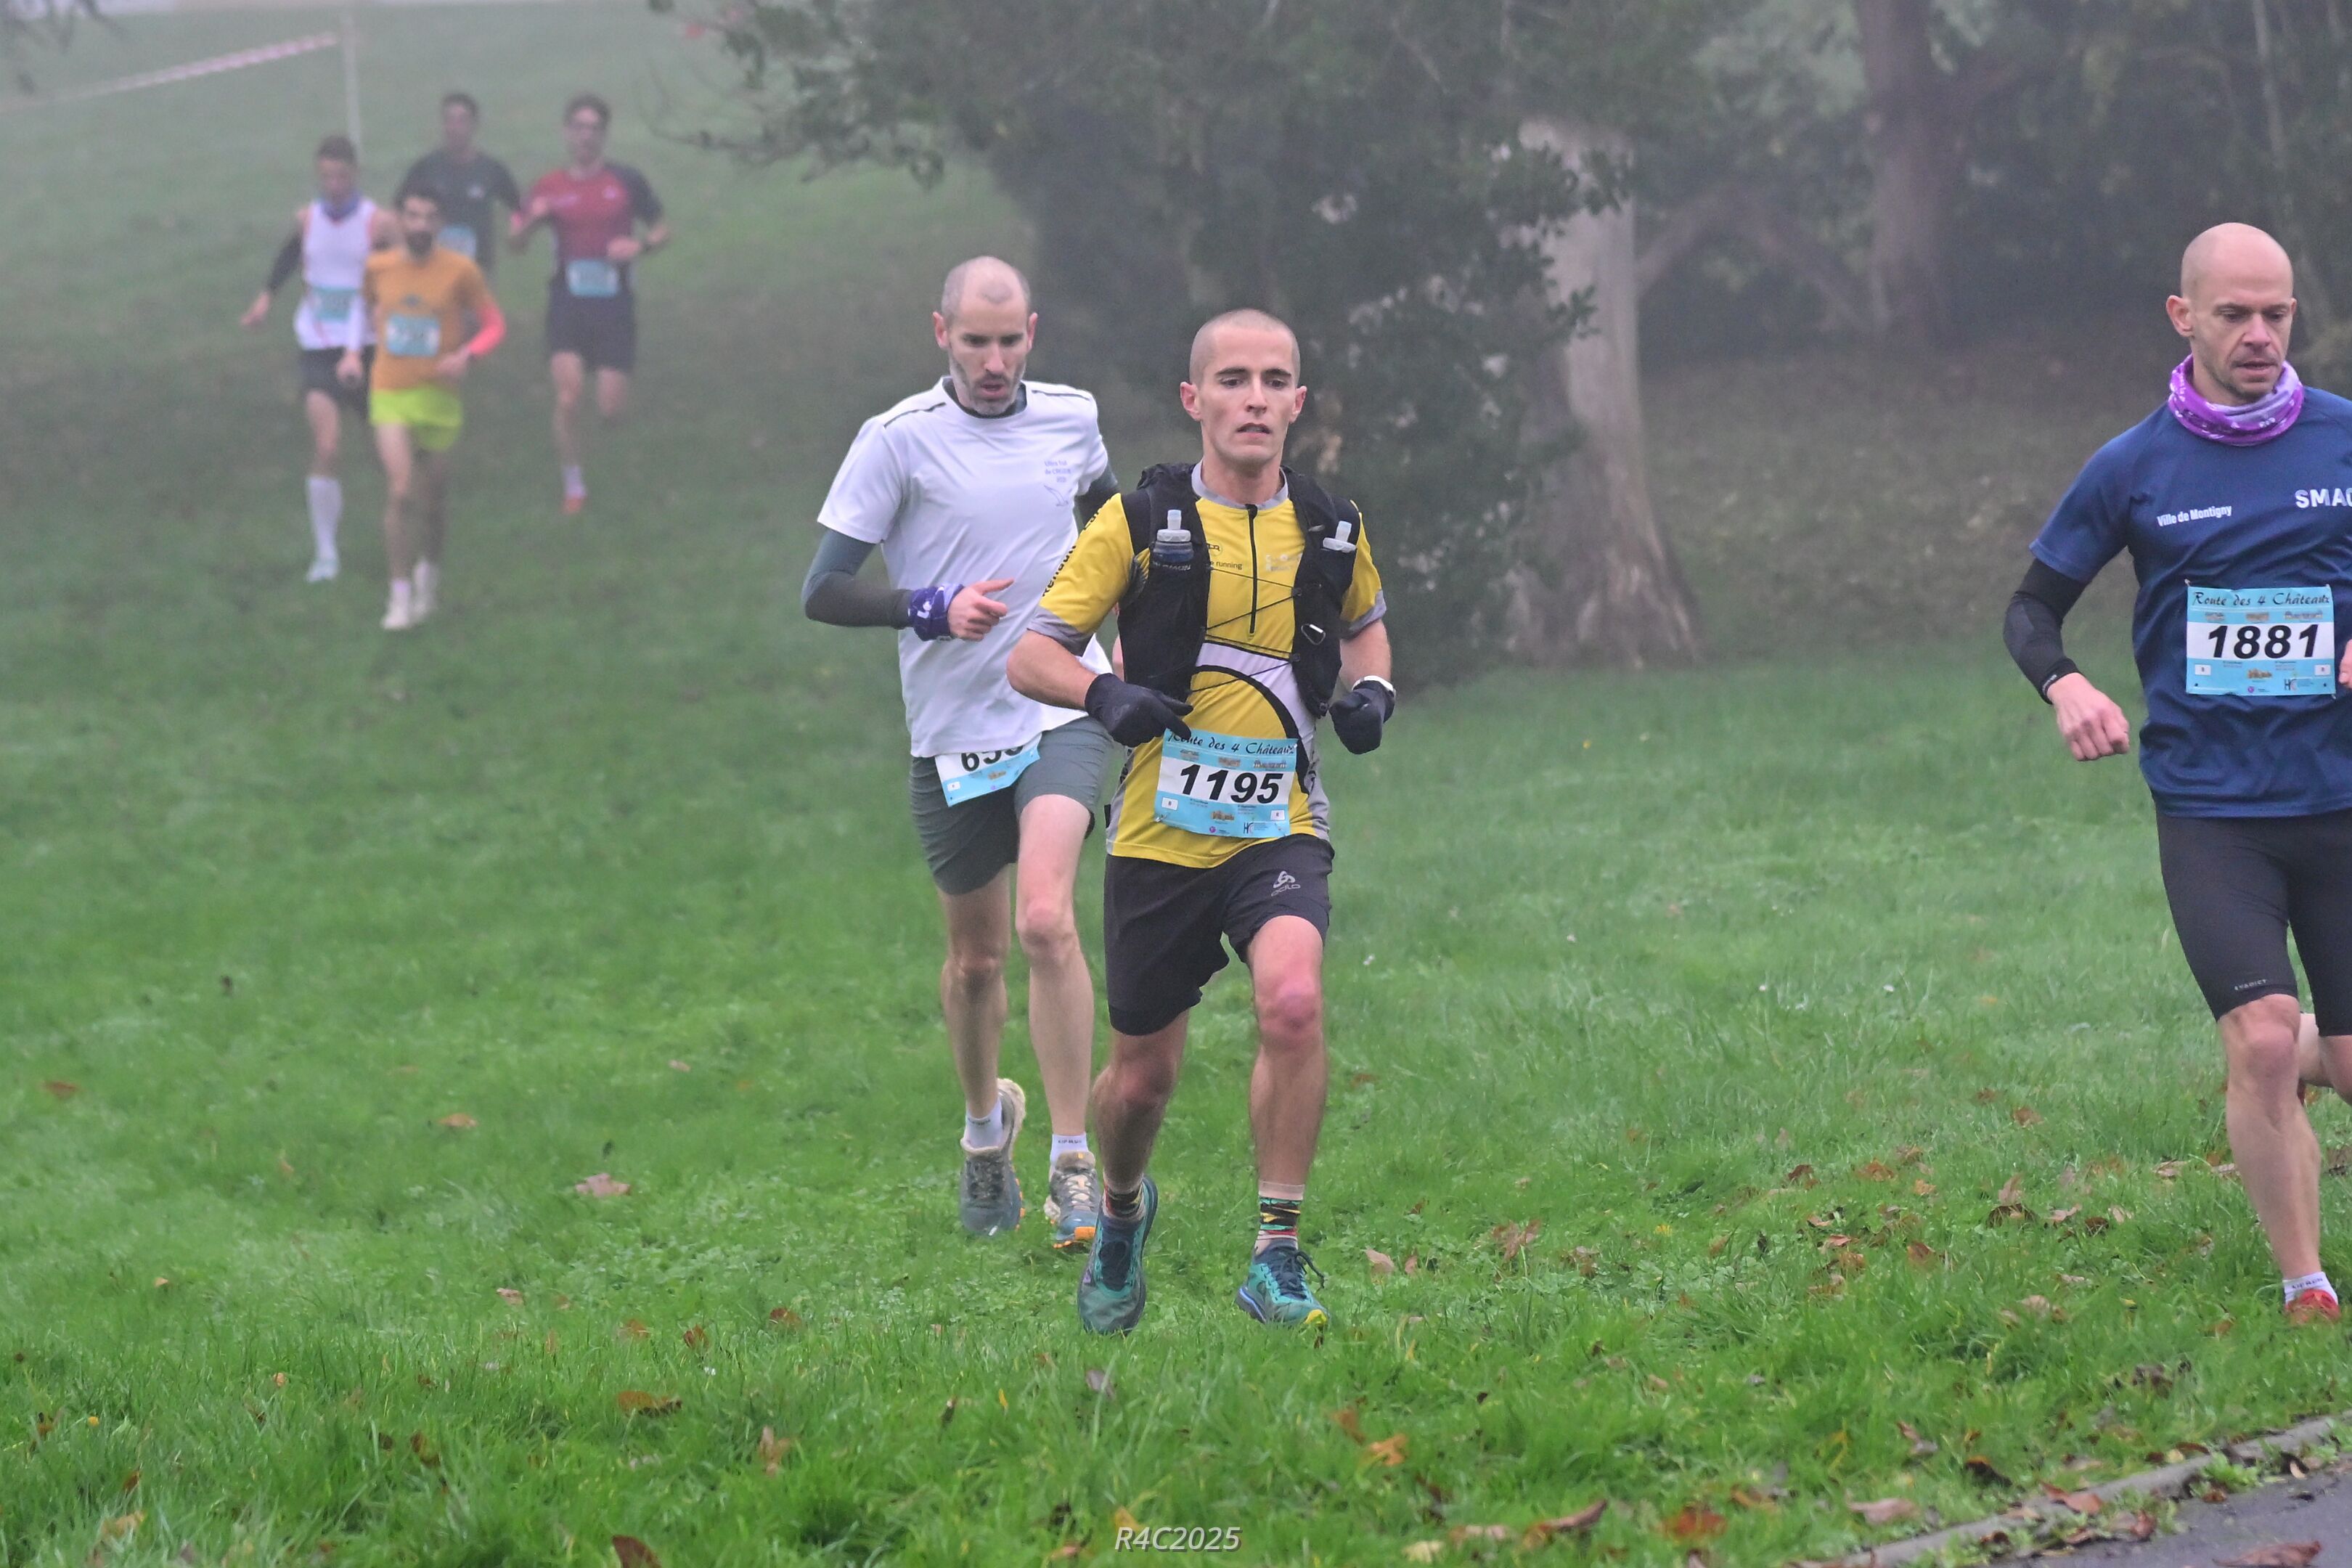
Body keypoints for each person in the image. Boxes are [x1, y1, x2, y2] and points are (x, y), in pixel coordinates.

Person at [1007, 308, 1396, 1334]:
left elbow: (1368, 630)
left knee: (1294, 1002)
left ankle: (1277, 1253)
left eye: (1273, 380)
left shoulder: (1333, 526)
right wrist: (1102, 696)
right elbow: (1031, 656)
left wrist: (1373, 694)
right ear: (1195, 400)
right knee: (1140, 1084)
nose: (1253, 399)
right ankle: (1123, 1210)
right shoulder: (1138, 523)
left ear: (1298, 403)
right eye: (1232, 380)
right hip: (1158, 837)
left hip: (1281, 824)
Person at [2006, 221, 2352, 1326]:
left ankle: (2321, 1049)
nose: (2259, 335)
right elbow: (2031, 610)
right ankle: (2305, 1282)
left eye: (2277, 314)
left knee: (2339, 1059)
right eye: (2234, 314)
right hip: (2213, 806)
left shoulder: (2343, 438)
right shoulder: (2134, 466)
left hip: (2343, 797)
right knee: (2259, 1038)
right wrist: (2066, 683)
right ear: (2183, 316)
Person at [806, 256, 1122, 1250]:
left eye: (1009, 341)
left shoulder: (1072, 418)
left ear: (1033, 333)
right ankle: (988, 1134)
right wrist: (931, 608)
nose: (993, 361)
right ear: (940, 332)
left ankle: (1074, 1162)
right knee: (976, 961)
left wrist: (1134, 651)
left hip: (1060, 707)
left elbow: (1117, 537)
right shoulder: (896, 441)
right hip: (952, 732)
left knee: (1046, 923)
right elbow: (824, 589)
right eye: (975, 342)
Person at [340, 187, 504, 631]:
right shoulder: (379, 267)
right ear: (399, 219)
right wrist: (353, 353)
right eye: (412, 216)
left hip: (439, 395)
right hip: (390, 390)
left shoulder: (460, 270)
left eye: (430, 217)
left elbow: (494, 324)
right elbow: (360, 308)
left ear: (441, 223)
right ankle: (398, 596)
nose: (420, 225)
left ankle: (428, 576)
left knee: (433, 503)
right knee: (400, 491)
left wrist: (468, 355)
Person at [240, 134, 394, 583]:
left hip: (368, 348)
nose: (334, 185)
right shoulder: (308, 219)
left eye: (342, 176)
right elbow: (290, 254)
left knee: (386, 453)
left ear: (355, 174)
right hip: (319, 347)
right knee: (326, 446)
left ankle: (402, 534)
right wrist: (266, 298)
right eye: (326, 177)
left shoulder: (378, 223)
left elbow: (403, 270)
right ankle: (326, 553)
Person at [510, 92, 668, 516]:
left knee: (611, 410)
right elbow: (515, 243)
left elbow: (662, 228)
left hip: (614, 304)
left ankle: (597, 439)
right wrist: (532, 220)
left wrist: (640, 246)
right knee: (568, 397)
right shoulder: (549, 186)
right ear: (566, 133)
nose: (586, 136)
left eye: (594, 129)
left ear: (604, 135)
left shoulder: (626, 181)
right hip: (568, 302)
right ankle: (574, 486)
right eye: (579, 128)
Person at [399, 92, 523, 280]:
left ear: (474, 125)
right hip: (434, 271)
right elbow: (398, 208)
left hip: (478, 272)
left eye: (461, 121)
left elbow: (519, 207)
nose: (454, 128)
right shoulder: (426, 168)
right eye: (449, 120)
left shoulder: (490, 169)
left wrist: (515, 230)